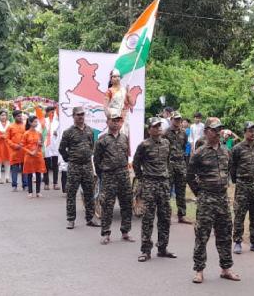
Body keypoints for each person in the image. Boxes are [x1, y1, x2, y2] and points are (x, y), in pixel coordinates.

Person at [187, 117, 240, 284]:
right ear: (206, 132)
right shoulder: (199, 153)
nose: (217, 133)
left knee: (224, 234)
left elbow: (230, 169)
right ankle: (199, 270)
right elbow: (189, 176)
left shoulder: (226, 151)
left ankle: (226, 269)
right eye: (214, 130)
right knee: (202, 235)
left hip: (222, 198)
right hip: (206, 198)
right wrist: (200, 193)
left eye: (219, 130)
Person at [133, 117, 176, 262]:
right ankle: (145, 250)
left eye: (160, 126)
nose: (158, 128)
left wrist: (167, 177)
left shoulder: (166, 143)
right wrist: (142, 178)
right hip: (150, 183)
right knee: (148, 218)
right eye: (155, 126)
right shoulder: (144, 145)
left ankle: (163, 248)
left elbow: (168, 161)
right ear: (149, 129)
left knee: (165, 217)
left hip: (163, 184)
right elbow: (136, 163)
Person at [94, 108, 135, 245]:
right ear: (108, 122)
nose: (116, 123)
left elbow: (126, 155)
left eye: (119, 121)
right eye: (114, 120)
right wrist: (103, 174)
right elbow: (97, 160)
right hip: (109, 176)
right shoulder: (102, 140)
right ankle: (106, 233)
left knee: (127, 204)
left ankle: (125, 231)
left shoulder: (124, 138)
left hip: (123, 175)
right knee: (107, 205)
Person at [59, 106, 100, 229]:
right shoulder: (68, 132)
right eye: (78, 115)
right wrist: (69, 158)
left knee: (89, 193)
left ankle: (90, 218)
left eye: (82, 114)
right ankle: (71, 219)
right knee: (71, 193)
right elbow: (61, 149)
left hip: (87, 166)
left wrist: (87, 154)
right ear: (73, 116)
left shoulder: (90, 131)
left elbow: (92, 146)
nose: (81, 117)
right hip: (74, 167)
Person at [231, 122, 254, 254]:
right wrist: (237, 181)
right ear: (244, 132)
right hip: (242, 185)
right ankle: (238, 242)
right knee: (240, 213)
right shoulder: (237, 148)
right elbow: (232, 167)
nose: (253, 133)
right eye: (251, 131)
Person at [163, 111, 191, 224]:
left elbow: (184, 146)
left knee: (181, 191)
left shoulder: (184, 133)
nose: (178, 121)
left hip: (181, 164)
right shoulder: (165, 133)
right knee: (167, 191)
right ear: (171, 120)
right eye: (175, 119)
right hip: (169, 164)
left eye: (179, 119)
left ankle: (182, 215)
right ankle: (166, 215)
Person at [22, 116, 46, 198]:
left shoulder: (39, 133)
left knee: (38, 173)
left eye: (37, 122)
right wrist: (30, 152)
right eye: (35, 122)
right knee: (29, 174)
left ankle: (38, 192)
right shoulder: (26, 134)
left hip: (38, 155)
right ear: (30, 122)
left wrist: (40, 144)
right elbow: (23, 146)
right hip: (29, 156)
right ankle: (30, 192)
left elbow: (42, 144)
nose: (36, 123)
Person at [103, 69, 133, 136]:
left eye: (118, 76)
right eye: (114, 76)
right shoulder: (109, 91)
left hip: (124, 118)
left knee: (124, 138)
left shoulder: (124, 90)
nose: (117, 78)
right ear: (111, 79)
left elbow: (131, 104)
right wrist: (109, 118)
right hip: (114, 118)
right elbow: (105, 107)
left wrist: (128, 92)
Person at [6, 110, 28, 192]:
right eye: (18, 116)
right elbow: (7, 139)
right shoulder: (10, 127)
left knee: (24, 169)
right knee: (14, 169)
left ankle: (25, 185)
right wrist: (15, 145)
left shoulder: (25, 126)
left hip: (24, 151)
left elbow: (28, 137)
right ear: (14, 117)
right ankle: (14, 185)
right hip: (14, 151)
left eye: (21, 116)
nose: (20, 117)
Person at [43, 106, 60, 190]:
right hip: (46, 146)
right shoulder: (43, 122)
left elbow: (60, 133)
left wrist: (57, 133)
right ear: (47, 112)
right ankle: (46, 183)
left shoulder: (57, 122)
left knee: (55, 165)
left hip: (55, 146)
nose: (52, 114)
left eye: (53, 112)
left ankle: (55, 183)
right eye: (51, 112)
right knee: (46, 165)